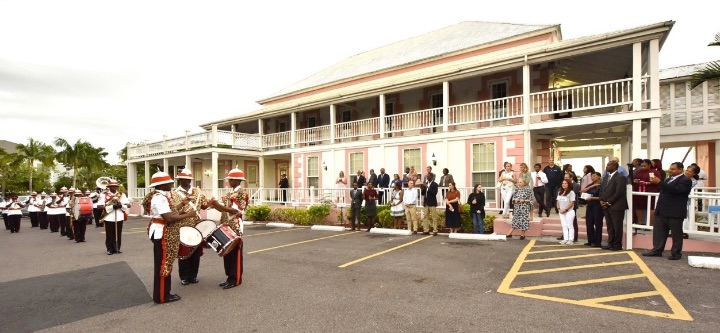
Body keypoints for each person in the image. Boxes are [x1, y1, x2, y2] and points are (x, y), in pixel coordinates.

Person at [147, 171, 196, 304]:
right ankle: (162, 296)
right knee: (164, 264)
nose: (171, 185)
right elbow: (169, 218)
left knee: (165, 263)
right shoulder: (160, 198)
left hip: (162, 232)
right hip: (163, 233)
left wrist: (183, 203)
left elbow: (171, 211)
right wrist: (188, 215)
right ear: (162, 185)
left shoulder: (163, 196)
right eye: (168, 183)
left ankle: (164, 293)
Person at [207, 168, 248, 289]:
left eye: (230, 179)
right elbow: (223, 209)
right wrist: (214, 205)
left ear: (236, 180)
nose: (228, 181)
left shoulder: (242, 194)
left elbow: (236, 211)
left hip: (235, 224)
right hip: (226, 224)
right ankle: (229, 277)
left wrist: (218, 205)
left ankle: (235, 279)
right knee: (227, 251)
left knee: (235, 252)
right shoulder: (229, 193)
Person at [642, 162, 692, 260]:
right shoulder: (668, 179)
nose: (671, 170)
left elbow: (677, 190)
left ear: (681, 169)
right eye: (670, 168)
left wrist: (660, 182)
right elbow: (664, 189)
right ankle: (657, 250)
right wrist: (656, 183)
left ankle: (676, 253)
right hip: (662, 210)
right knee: (659, 232)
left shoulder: (685, 180)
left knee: (676, 234)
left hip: (675, 211)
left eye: (673, 169)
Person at [175, 168, 209, 285]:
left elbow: (204, 206)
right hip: (182, 226)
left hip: (196, 225)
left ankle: (193, 275)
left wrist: (211, 201)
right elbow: (173, 210)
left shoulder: (197, 192)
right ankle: (184, 276)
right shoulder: (174, 193)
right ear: (180, 179)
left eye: (189, 179)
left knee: (195, 252)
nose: (188, 181)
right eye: (185, 179)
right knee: (184, 252)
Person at [600, 160, 628, 251]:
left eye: (609, 165)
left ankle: (617, 245)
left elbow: (619, 192)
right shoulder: (605, 177)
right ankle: (610, 243)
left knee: (617, 227)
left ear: (615, 166)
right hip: (606, 205)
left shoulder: (620, 177)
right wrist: (602, 200)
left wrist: (609, 201)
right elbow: (602, 190)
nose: (607, 167)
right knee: (610, 226)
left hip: (616, 206)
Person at [98, 180, 130, 255]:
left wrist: (121, 205)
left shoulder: (122, 195)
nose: (114, 187)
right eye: (113, 186)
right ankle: (109, 249)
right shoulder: (104, 195)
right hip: (109, 217)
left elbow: (128, 205)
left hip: (119, 216)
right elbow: (99, 206)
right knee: (109, 234)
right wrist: (111, 207)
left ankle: (117, 248)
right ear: (109, 187)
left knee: (118, 233)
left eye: (116, 186)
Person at [632, 159, 661, 226]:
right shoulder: (639, 172)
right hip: (639, 192)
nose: (643, 167)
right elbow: (634, 179)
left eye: (644, 166)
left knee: (651, 207)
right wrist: (636, 181)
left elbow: (656, 181)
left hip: (650, 191)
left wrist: (646, 183)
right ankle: (640, 223)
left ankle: (650, 224)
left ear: (649, 165)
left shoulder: (653, 172)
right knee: (639, 207)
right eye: (642, 166)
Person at [581, 172, 603, 247]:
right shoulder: (591, 185)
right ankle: (590, 240)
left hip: (597, 206)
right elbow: (582, 191)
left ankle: (597, 242)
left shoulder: (602, 185)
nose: (592, 177)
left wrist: (592, 198)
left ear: (599, 177)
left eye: (594, 176)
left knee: (598, 224)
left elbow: (602, 197)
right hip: (590, 206)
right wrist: (592, 186)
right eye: (591, 176)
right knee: (589, 224)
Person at [557, 180, 577, 244]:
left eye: (565, 183)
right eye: (563, 183)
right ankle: (565, 239)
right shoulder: (560, 192)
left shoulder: (571, 192)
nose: (564, 184)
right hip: (561, 212)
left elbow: (572, 202)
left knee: (570, 225)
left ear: (568, 184)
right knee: (564, 225)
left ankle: (571, 239)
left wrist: (565, 209)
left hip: (569, 211)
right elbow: (558, 201)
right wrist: (559, 209)